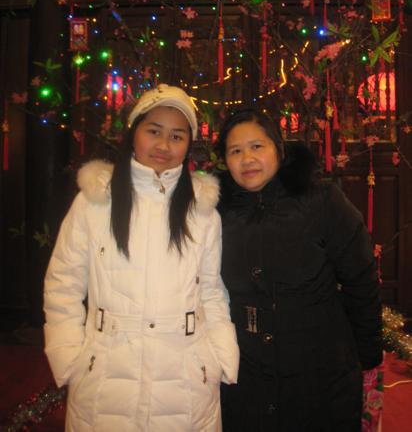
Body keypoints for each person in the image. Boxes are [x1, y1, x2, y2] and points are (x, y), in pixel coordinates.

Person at [43, 84, 239, 432]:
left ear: (188, 144)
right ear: (134, 133)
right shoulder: (94, 201)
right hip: (105, 377)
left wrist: (220, 358)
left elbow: (211, 290)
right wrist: (70, 358)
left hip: (186, 379)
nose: (164, 145)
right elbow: (63, 284)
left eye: (177, 136)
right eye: (154, 131)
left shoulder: (202, 210)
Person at [215, 108, 382, 432]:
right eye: (235, 151)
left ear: (279, 149)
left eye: (257, 146)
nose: (247, 159)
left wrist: (368, 355)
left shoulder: (322, 199)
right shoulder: (215, 212)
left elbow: (360, 279)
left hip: (320, 370)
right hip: (246, 373)